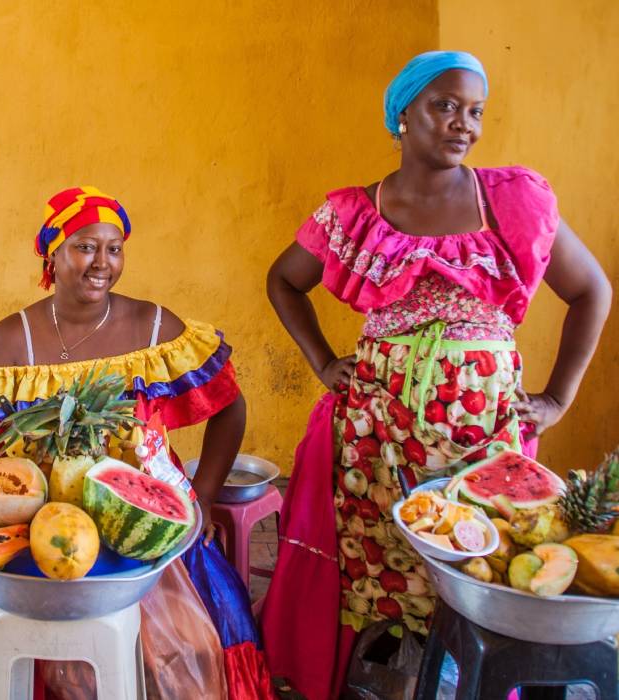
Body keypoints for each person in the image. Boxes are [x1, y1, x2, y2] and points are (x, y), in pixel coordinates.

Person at [261, 52, 612, 700]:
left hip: (483, 441)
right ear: (403, 114)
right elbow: (284, 280)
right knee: (379, 571)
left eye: (474, 110)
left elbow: (593, 289)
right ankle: (388, 674)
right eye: (444, 106)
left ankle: (464, 675)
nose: (463, 124)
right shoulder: (352, 215)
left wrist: (559, 397)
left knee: (479, 562)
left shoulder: (512, 202)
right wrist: (322, 361)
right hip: (374, 435)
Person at [0, 186, 275, 700]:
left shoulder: (155, 327)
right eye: (85, 247)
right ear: (52, 253)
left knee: (194, 640)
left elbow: (230, 406)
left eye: (114, 248)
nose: (101, 263)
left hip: (147, 520)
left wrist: (200, 495)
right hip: (44, 523)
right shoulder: (8, 342)